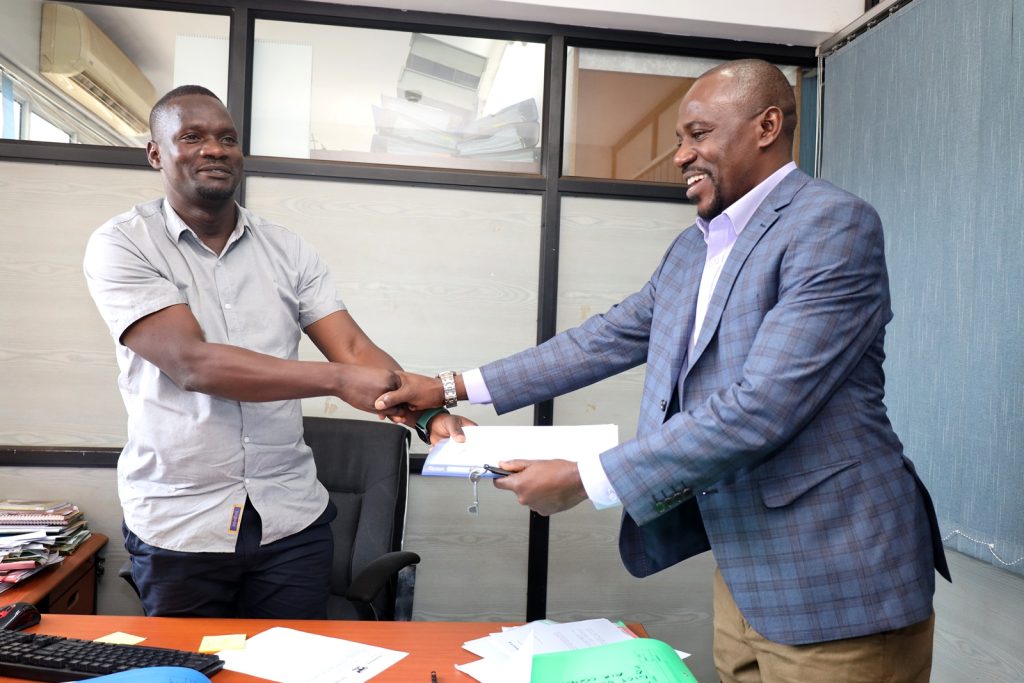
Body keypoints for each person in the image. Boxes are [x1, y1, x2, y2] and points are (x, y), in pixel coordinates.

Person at [376, 60, 951, 681]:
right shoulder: (695, 246)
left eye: (698, 134)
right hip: (744, 568)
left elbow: (761, 406)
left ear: (767, 126)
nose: (680, 156)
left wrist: (588, 478)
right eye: (680, 139)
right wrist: (451, 386)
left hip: (838, 572)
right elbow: (605, 338)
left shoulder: (831, 225)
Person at [83, 85, 464, 619]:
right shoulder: (123, 244)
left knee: (296, 665)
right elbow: (194, 364)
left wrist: (429, 413)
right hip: (181, 522)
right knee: (189, 673)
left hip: (291, 520)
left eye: (227, 138)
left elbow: (351, 348)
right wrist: (333, 380)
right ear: (155, 154)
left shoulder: (287, 249)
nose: (214, 149)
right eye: (191, 137)